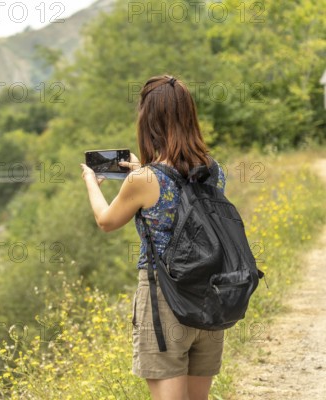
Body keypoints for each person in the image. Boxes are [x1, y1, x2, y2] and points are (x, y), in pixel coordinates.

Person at [80, 75, 226, 400]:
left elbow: (106, 221)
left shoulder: (144, 180)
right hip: (210, 296)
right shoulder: (215, 171)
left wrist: (92, 180)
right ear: (189, 116)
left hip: (164, 301)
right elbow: (178, 190)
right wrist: (143, 169)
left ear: (149, 120)